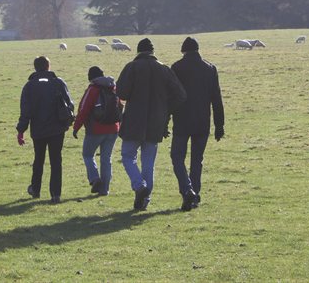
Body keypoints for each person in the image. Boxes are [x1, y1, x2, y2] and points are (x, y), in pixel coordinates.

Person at [116, 38, 186, 211]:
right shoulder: (164, 69)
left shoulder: (131, 67)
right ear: (153, 52)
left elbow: (122, 93)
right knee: (148, 161)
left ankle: (139, 187)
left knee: (127, 156)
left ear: (138, 52)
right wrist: (165, 109)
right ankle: (144, 200)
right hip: (156, 121)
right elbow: (180, 95)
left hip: (134, 120)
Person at [168, 37, 225, 211]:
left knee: (177, 157)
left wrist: (164, 122)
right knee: (197, 160)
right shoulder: (210, 68)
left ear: (183, 51)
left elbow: (171, 98)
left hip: (182, 120)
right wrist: (219, 125)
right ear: (198, 50)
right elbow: (217, 99)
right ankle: (195, 194)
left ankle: (187, 190)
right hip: (202, 121)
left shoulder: (176, 68)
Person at [16, 56, 73, 204]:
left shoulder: (29, 86)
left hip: (38, 129)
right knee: (56, 161)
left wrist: (21, 130)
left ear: (35, 67)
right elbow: (69, 104)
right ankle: (55, 194)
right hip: (57, 129)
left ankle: (35, 189)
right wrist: (67, 123)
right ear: (48, 66)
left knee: (38, 159)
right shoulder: (58, 83)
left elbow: (25, 111)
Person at [72, 66, 119, 196]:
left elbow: (83, 110)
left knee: (88, 155)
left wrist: (76, 127)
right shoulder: (113, 87)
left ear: (91, 78)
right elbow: (120, 107)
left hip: (96, 129)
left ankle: (94, 179)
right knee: (106, 158)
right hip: (113, 129)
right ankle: (105, 190)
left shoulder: (93, 89)